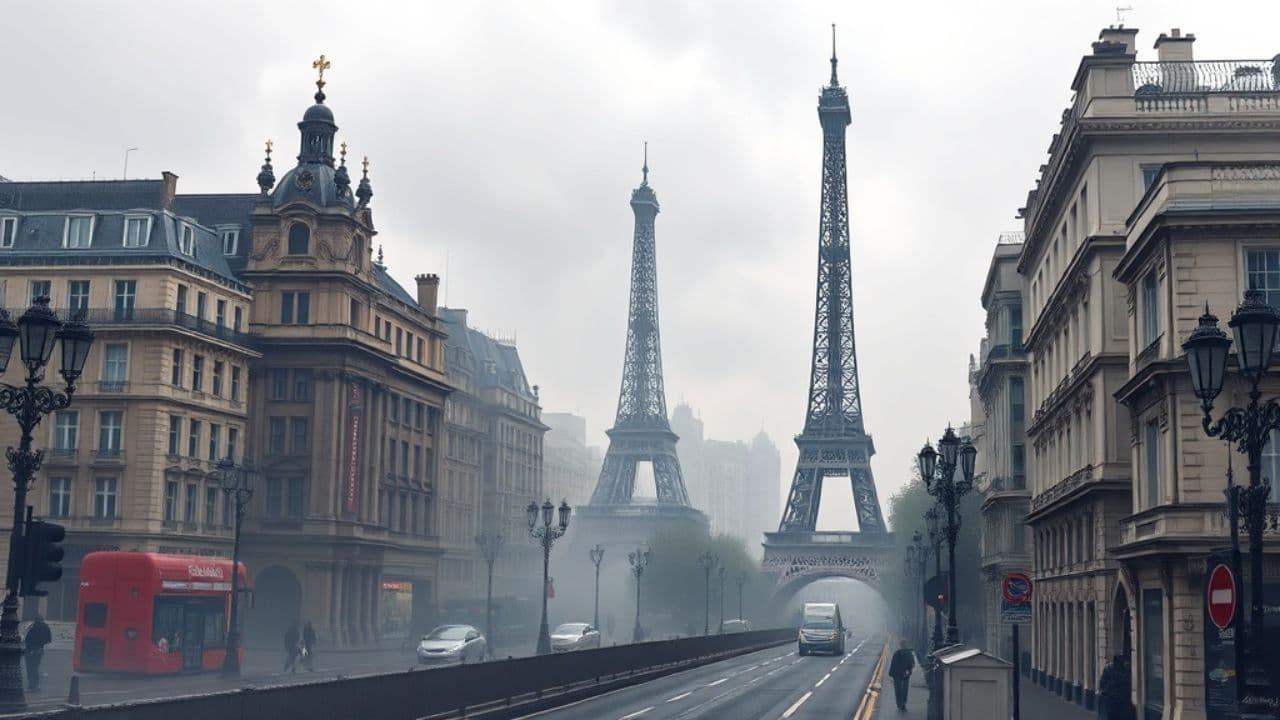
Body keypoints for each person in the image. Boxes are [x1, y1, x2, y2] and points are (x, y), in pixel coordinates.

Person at [1098, 654, 1132, 720]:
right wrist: (1106, 691)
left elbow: (1128, 680)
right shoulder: (1108, 668)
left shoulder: (1125, 668)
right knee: (1111, 715)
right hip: (1112, 697)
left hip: (1122, 697)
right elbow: (1103, 682)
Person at [23, 616, 51, 691]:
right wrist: (40, 644)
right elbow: (48, 640)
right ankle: (36, 685)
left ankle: (32, 685)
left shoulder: (33, 627)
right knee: (35, 667)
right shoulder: (46, 627)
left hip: (30, 650)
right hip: (39, 650)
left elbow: (27, 639)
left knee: (30, 668)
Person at [888, 639, 916, 711]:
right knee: (904, 689)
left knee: (898, 690)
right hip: (904, 674)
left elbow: (893, 664)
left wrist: (892, 674)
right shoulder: (909, 653)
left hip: (898, 674)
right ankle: (903, 703)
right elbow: (912, 664)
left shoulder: (897, 653)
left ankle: (900, 703)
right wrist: (909, 671)